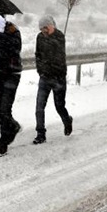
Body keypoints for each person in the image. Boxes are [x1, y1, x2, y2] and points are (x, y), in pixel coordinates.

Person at [0, 14, 22, 157]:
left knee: (5, 108)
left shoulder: (14, 32)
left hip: (12, 74)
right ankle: (13, 125)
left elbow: (15, 49)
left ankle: (3, 144)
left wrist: (1, 38)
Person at [33, 15, 73, 144]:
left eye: (46, 28)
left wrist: (49, 38)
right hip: (44, 77)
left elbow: (56, 54)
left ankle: (67, 120)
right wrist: (40, 70)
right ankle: (40, 134)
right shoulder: (39, 37)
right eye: (41, 28)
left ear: (52, 26)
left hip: (58, 78)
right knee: (39, 107)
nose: (43, 30)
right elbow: (38, 54)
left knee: (59, 106)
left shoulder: (59, 36)